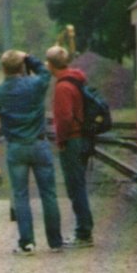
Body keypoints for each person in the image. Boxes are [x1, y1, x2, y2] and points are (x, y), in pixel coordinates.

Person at [0, 50, 63, 255]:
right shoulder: (35, 85)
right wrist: (29, 57)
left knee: (21, 196)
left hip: (16, 148)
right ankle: (55, 242)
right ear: (22, 66)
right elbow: (45, 72)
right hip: (39, 144)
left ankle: (27, 243)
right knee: (48, 194)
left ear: (3, 68)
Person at [46, 45, 95, 248]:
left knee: (75, 187)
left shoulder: (63, 87)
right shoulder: (76, 79)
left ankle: (84, 232)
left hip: (72, 140)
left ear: (51, 64)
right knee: (79, 185)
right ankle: (84, 229)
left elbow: (65, 118)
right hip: (81, 137)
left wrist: (61, 140)